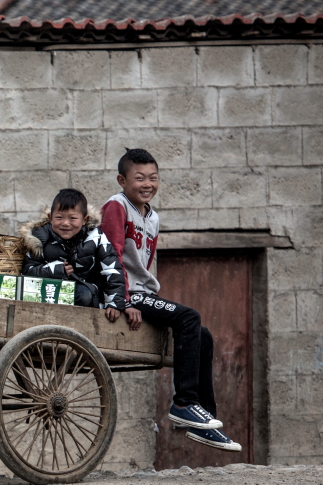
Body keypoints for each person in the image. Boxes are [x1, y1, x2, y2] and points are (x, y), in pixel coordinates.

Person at [100, 148, 242, 452]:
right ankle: (184, 403)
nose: (147, 183)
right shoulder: (116, 206)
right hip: (127, 293)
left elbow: (145, 262)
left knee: (202, 336)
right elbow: (110, 254)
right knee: (189, 317)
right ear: (122, 180)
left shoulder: (152, 216)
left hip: (145, 293)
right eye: (139, 178)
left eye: (153, 177)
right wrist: (124, 299)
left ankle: (205, 422)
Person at [21, 187, 126, 312]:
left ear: (84, 220)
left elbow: (111, 271)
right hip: (48, 292)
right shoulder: (40, 238)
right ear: (50, 218)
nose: (65, 223)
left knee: (84, 294)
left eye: (72, 218)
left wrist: (114, 304)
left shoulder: (96, 237)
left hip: (85, 293)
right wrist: (54, 270)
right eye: (59, 217)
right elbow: (28, 271)